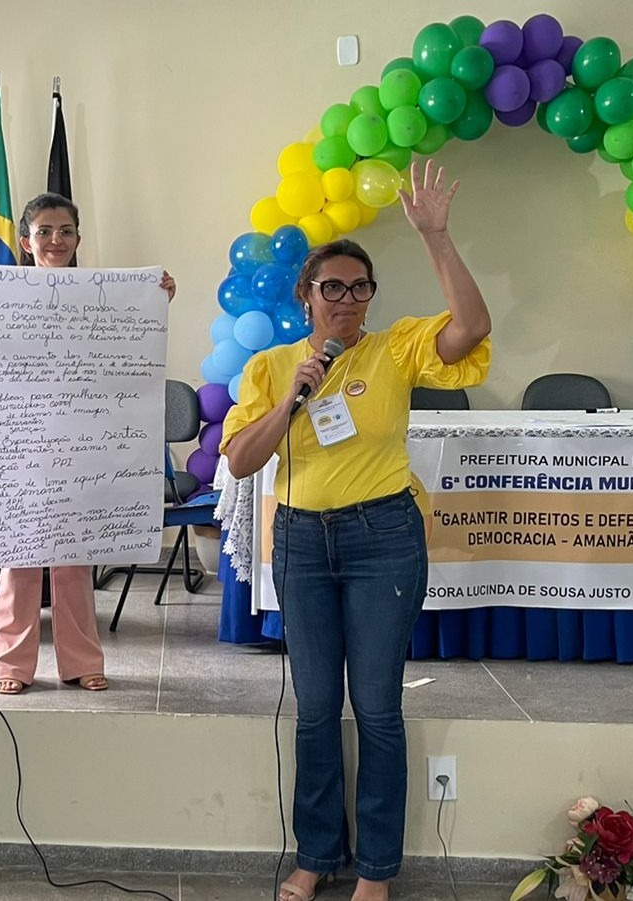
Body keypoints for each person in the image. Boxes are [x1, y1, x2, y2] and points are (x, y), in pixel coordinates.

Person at [220, 161, 491, 901]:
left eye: (359, 287)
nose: (346, 299)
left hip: (383, 540)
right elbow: (241, 461)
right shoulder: (272, 366)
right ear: (306, 295)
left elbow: (471, 328)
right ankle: (316, 856)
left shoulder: (395, 348)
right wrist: (293, 398)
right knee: (314, 710)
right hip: (303, 543)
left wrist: (436, 237)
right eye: (332, 287)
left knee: (376, 708)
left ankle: (375, 868)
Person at [0, 192, 175, 694]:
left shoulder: (100, 296)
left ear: (78, 238)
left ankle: (82, 661)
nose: (55, 240)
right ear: (26, 241)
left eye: (65, 231)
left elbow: (129, 340)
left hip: (82, 445)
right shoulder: (2, 295)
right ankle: (9, 665)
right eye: (44, 231)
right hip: (20, 443)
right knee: (18, 558)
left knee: (74, 559)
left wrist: (156, 298)